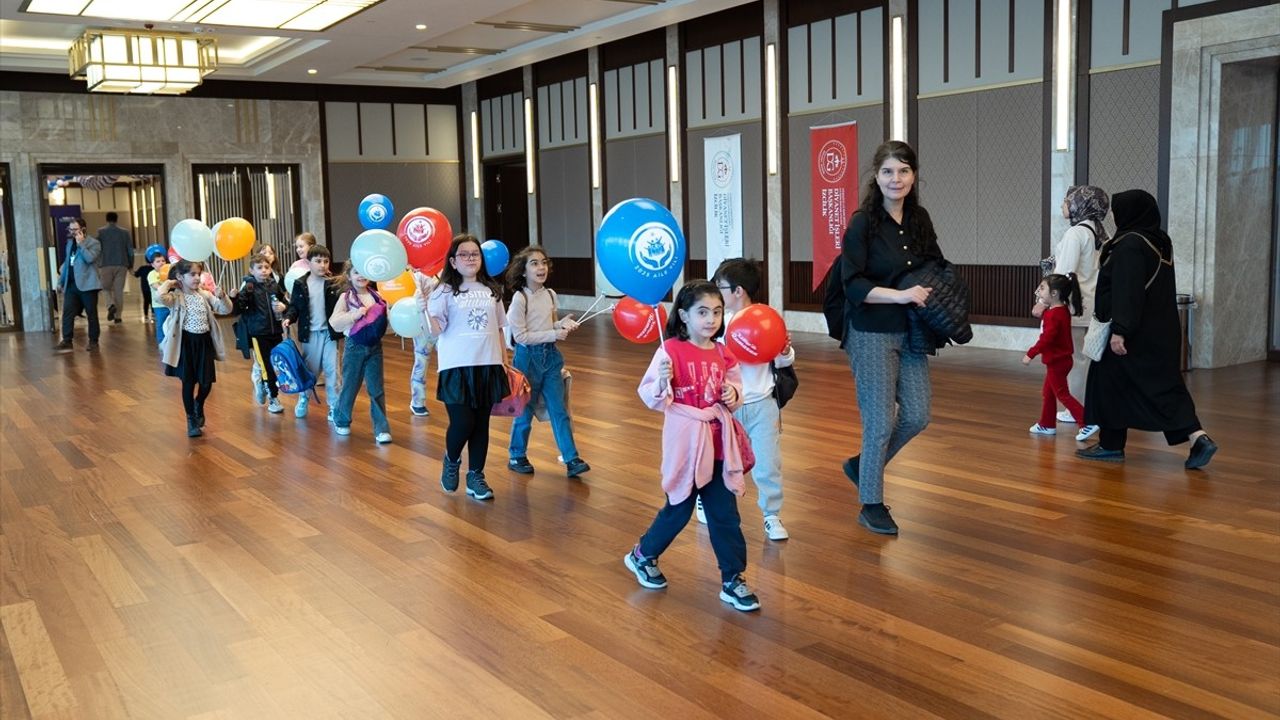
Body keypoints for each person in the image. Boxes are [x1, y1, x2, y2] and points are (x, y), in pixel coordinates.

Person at [624, 280, 759, 612]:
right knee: (679, 507)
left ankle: (733, 578)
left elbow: (735, 388)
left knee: (725, 515)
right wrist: (662, 379)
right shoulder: (669, 350)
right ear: (684, 315)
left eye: (716, 312)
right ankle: (643, 555)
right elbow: (651, 397)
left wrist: (733, 394)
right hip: (685, 441)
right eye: (702, 312)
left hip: (718, 445)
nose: (711, 320)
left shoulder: (723, 351)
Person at [835, 141, 944, 536]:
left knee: (917, 414)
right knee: (880, 422)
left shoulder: (920, 219)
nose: (895, 179)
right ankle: (872, 503)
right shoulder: (863, 222)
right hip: (870, 329)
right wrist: (899, 293)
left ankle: (862, 466)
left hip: (912, 328)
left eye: (903, 171)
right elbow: (853, 282)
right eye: (888, 172)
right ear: (876, 177)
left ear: (914, 176)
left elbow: (934, 263)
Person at [1077, 189, 1218, 469]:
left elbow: (1127, 292)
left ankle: (1110, 446)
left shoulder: (1130, 244)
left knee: (1108, 384)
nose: (1115, 216)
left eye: (1118, 210)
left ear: (1131, 212)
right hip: (1160, 331)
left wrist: (1120, 330)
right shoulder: (1160, 241)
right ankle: (1198, 437)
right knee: (1163, 386)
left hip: (1133, 333)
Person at [710, 257, 795, 541]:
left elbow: (782, 363)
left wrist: (783, 351)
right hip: (727, 406)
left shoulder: (765, 318)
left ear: (738, 290)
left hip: (762, 405)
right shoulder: (715, 322)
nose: (714, 291)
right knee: (719, 460)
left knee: (768, 463)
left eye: (719, 286)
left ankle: (771, 515)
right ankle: (705, 498)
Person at [427, 235, 510, 501]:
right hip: (456, 366)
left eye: (475, 254)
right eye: (464, 254)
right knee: (463, 422)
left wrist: (504, 362)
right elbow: (436, 330)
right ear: (453, 260)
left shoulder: (491, 290)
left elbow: (498, 329)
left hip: (487, 364)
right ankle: (452, 460)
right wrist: (423, 309)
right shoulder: (443, 292)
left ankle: (476, 476)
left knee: (481, 424)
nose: (471, 258)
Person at [504, 246, 590, 478]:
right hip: (527, 359)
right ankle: (516, 455)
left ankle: (571, 458)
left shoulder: (550, 294)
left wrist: (560, 324)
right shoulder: (519, 299)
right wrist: (554, 334)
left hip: (551, 357)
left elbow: (548, 326)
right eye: (534, 263)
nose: (541, 267)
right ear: (523, 270)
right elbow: (520, 337)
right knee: (524, 411)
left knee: (559, 409)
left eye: (543, 262)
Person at [1049, 185, 1108, 441]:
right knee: (1088, 359)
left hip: (1075, 306)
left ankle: (1076, 409)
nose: (1063, 205)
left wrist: (1048, 301)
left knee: (1072, 359)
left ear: (1079, 205)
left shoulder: (1075, 233)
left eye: (1067, 200)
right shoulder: (1099, 232)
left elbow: (1063, 274)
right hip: (1094, 304)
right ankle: (1091, 405)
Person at [157, 260, 232, 437]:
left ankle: (199, 403)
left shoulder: (204, 295)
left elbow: (225, 309)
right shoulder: (175, 296)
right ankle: (191, 419)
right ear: (180, 277)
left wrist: (222, 297)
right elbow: (160, 297)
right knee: (188, 382)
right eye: (192, 274)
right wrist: (170, 283)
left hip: (203, 343)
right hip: (185, 344)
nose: (197, 277)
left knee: (206, 383)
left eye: (199, 274)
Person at [329, 262, 392, 443]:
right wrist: (353, 315)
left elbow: (384, 323)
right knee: (350, 385)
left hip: (375, 346)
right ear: (349, 276)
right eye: (356, 272)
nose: (361, 276)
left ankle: (381, 428)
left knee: (376, 388)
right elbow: (335, 322)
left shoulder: (378, 297)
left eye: (364, 272)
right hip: (353, 346)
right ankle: (341, 418)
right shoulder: (346, 297)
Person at [282, 244, 342, 421]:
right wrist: (289, 318)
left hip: (329, 333)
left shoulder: (332, 283)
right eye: (318, 261)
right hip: (310, 334)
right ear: (309, 263)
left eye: (325, 261)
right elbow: (294, 307)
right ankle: (304, 397)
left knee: (333, 370)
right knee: (311, 371)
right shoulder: (300, 284)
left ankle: (334, 406)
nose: (322, 265)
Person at [1024, 274, 1087, 435]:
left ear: (1054, 293)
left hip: (1057, 361)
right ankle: (1047, 424)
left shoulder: (1054, 314)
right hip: (1060, 360)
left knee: (1062, 394)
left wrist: (1031, 353)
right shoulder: (1060, 310)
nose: (1039, 291)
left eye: (1043, 288)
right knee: (1048, 392)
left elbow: (1046, 339)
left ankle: (1086, 422)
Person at [230, 254, 289, 414]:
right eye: (259, 268)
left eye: (267, 267)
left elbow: (285, 303)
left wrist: (283, 307)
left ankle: (264, 385)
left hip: (276, 331)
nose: (264, 271)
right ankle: (273, 397)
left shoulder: (273, 285)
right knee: (266, 366)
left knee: (276, 364)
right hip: (258, 333)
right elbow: (238, 309)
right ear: (251, 270)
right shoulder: (249, 287)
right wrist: (234, 298)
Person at [56, 217, 103, 352]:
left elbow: (90, 259)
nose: (72, 232)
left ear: (83, 229)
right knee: (68, 312)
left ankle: (93, 341)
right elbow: (67, 264)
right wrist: (61, 281)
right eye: (70, 229)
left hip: (88, 285)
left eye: (75, 229)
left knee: (91, 313)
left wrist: (81, 244)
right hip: (71, 284)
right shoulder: (69, 244)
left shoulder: (94, 243)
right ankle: (67, 339)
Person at [409, 268, 438, 418]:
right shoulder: (418, 275)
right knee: (421, 361)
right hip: (423, 324)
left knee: (449, 362)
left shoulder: (447, 270)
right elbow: (414, 296)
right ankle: (417, 401)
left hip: (444, 323)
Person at [97, 211, 134, 324]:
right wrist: (130, 265)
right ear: (117, 219)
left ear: (106, 219)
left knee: (106, 288)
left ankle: (110, 305)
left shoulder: (101, 232)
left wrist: (98, 263)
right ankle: (118, 317)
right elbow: (130, 251)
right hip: (121, 264)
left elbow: (98, 249)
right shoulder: (125, 232)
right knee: (119, 291)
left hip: (106, 264)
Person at [143, 248, 169, 345]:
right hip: (159, 305)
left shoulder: (169, 273)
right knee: (161, 324)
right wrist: (166, 286)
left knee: (172, 323)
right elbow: (156, 286)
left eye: (163, 260)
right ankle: (162, 342)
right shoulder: (152, 274)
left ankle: (172, 342)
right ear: (152, 264)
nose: (161, 263)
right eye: (158, 261)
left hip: (170, 303)